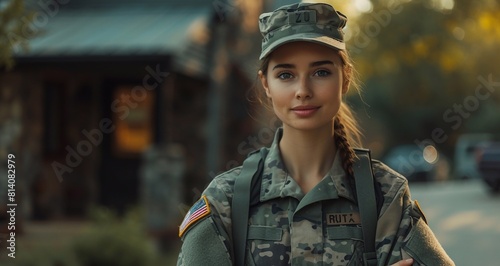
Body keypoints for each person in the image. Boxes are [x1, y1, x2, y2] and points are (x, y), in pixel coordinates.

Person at [177, 2, 454, 266]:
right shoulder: (227, 200)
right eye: (286, 75)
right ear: (266, 85)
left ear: (344, 79)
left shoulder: (384, 195)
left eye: (321, 72)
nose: (303, 90)